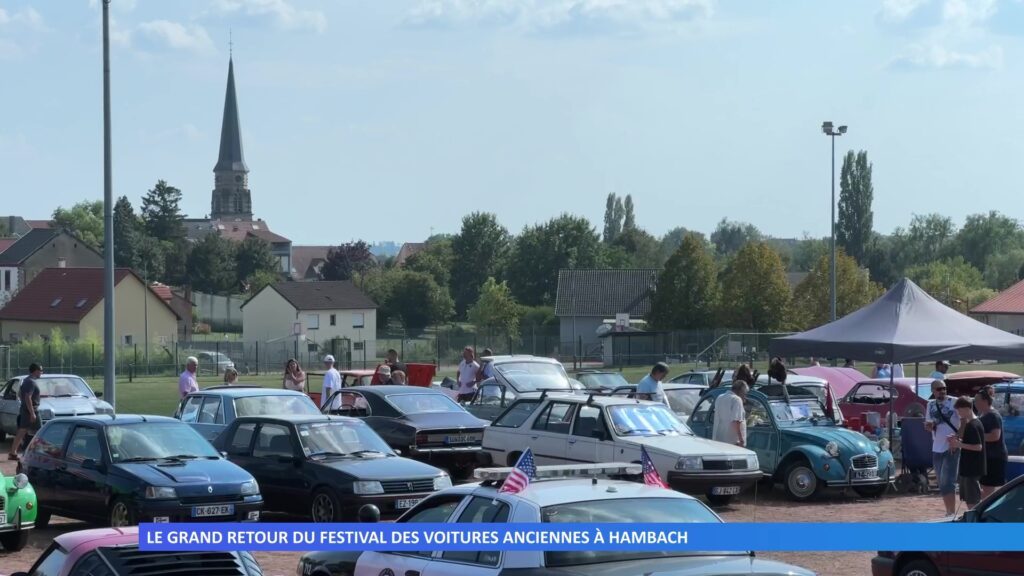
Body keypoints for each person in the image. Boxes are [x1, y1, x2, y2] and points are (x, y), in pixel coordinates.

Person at [925, 379, 961, 516]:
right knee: (941, 482)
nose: (943, 391)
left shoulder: (954, 402)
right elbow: (929, 424)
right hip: (937, 446)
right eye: (939, 389)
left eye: (944, 388)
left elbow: (964, 420)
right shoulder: (930, 404)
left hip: (951, 447)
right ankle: (948, 511)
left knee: (948, 481)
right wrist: (929, 426)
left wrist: (957, 439)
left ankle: (951, 512)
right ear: (933, 391)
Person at [950, 396, 986, 509]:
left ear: (967, 408)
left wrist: (959, 444)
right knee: (970, 498)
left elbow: (978, 447)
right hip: (969, 468)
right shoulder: (973, 423)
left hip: (972, 468)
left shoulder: (973, 425)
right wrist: (959, 441)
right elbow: (972, 442)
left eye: (960, 410)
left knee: (972, 501)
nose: (959, 413)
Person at [975, 390, 1008, 499]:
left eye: (977, 400)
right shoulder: (982, 415)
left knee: (988, 489)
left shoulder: (993, 416)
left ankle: (988, 512)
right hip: (985, 457)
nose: (975, 403)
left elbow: (995, 436)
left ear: (985, 401)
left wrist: (977, 436)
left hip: (994, 457)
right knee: (984, 487)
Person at [8, 363, 43, 460]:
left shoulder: (26, 381)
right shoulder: (30, 382)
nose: (41, 372)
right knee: (41, 431)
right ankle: (38, 453)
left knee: (22, 431)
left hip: (26, 409)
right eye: (40, 370)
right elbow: (28, 397)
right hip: (31, 410)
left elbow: (20, 394)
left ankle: (13, 453)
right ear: (35, 370)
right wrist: (32, 413)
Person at [714, 379, 748, 447]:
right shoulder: (737, 399)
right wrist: (741, 440)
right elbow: (736, 422)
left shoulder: (720, 397)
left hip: (719, 439)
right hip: (733, 442)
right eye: (745, 393)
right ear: (741, 391)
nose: (745, 396)